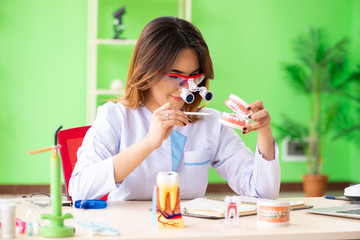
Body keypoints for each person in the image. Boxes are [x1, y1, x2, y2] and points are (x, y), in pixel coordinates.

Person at [69, 16, 280, 201]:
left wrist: (264, 133)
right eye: (174, 76)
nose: (186, 87)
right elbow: (79, 189)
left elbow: (263, 193)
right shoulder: (115, 117)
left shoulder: (209, 123)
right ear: (147, 69)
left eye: (194, 76)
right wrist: (149, 143)